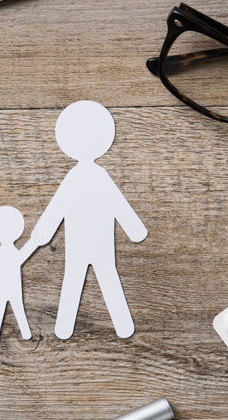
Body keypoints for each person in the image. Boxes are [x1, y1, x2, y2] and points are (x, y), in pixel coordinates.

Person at [26, 101, 147, 339]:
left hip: (90, 241)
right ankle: (117, 326)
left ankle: (70, 328)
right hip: (89, 241)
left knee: (84, 275)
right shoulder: (89, 175)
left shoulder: (83, 176)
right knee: (97, 274)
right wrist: (135, 230)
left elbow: (62, 205)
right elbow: (62, 205)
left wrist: (43, 233)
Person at [0, 206, 35, 340]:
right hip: (9, 289)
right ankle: (24, 333)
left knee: (4, 309)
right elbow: (24, 255)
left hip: (7, 289)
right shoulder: (10, 252)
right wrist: (33, 242)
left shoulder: (2, 253)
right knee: (14, 309)